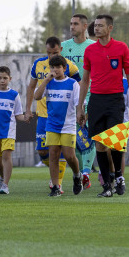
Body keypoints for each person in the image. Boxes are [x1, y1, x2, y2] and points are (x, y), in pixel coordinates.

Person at [76, 14, 129, 197]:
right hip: (96, 100)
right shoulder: (90, 51)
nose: (96, 28)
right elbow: (85, 80)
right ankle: (107, 186)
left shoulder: (121, 47)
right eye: (95, 26)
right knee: (101, 145)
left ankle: (119, 176)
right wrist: (80, 106)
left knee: (115, 141)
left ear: (110, 28)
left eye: (101, 26)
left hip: (115, 100)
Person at [26, 36, 81, 190]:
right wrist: (28, 108)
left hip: (67, 122)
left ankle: (75, 176)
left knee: (69, 155)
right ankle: (56, 185)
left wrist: (81, 113)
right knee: (48, 152)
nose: (51, 56)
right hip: (47, 118)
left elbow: (79, 91)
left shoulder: (71, 71)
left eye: (55, 52)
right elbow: (34, 92)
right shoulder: (39, 66)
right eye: (49, 53)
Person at [60, 14, 97, 186]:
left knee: (89, 136)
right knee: (74, 140)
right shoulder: (64, 47)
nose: (72, 26)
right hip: (69, 99)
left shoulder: (94, 46)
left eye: (75, 24)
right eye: (71, 23)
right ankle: (82, 174)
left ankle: (87, 172)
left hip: (90, 96)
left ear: (84, 26)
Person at [0, 65, 30, 195]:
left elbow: (18, 114)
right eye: (0, 78)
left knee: (6, 156)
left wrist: (25, 118)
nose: (2, 80)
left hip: (9, 131)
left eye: (5, 78)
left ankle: (5, 185)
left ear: (10, 79)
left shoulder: (14, 95)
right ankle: (2, 177)